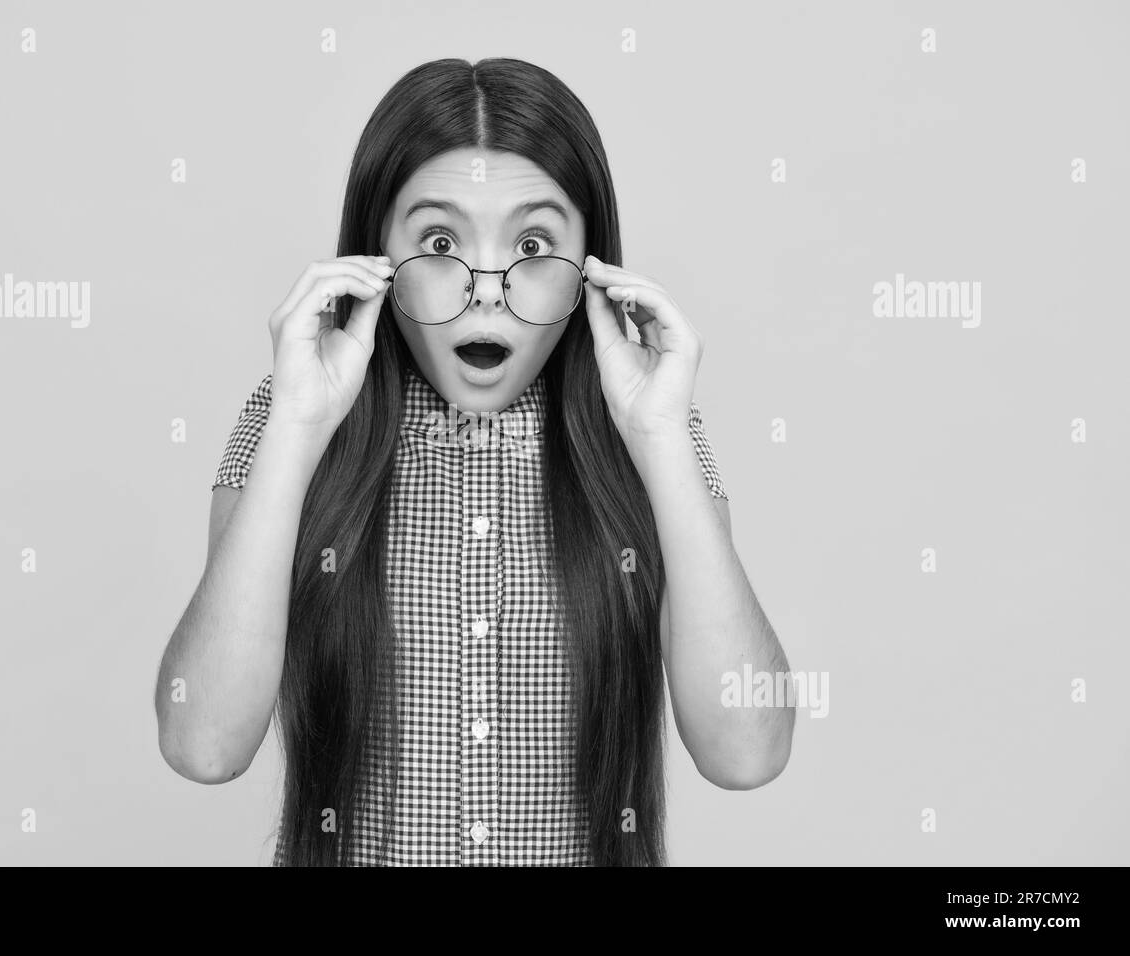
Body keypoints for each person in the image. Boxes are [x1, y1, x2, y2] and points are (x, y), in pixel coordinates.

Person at [155, 57, 793, 866]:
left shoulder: (651, 431)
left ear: (590, 267)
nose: (487, 287)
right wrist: (296, 424)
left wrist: (660, 436)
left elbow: (747, 753)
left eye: (532, 243)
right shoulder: (290, 414)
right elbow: (203, 744)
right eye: (440, 240)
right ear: (374, 258)